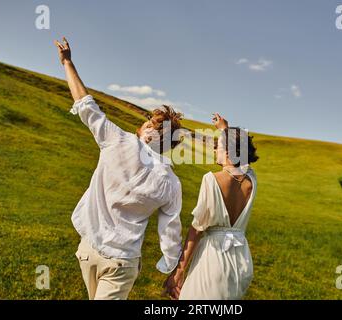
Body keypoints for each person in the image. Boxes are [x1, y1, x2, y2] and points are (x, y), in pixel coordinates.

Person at [54, 37, 183, 300]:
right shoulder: (171, 182)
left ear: (148, 130)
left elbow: (85, 104)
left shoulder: (118, 141)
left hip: (89, 250)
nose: (146, 125)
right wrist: (169, 263)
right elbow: (170, 228)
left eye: (150, 123)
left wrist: (67, 63)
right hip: (121, 262)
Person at [163, 113, 259, 300]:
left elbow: (197, 230)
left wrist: (178, 272)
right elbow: (244, 162)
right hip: (240, 260)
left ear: (229, 152)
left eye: (218, 147)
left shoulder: (211, 180)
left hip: (213, 258)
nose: (215, 150)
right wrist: (225, 130)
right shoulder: (252, 181)